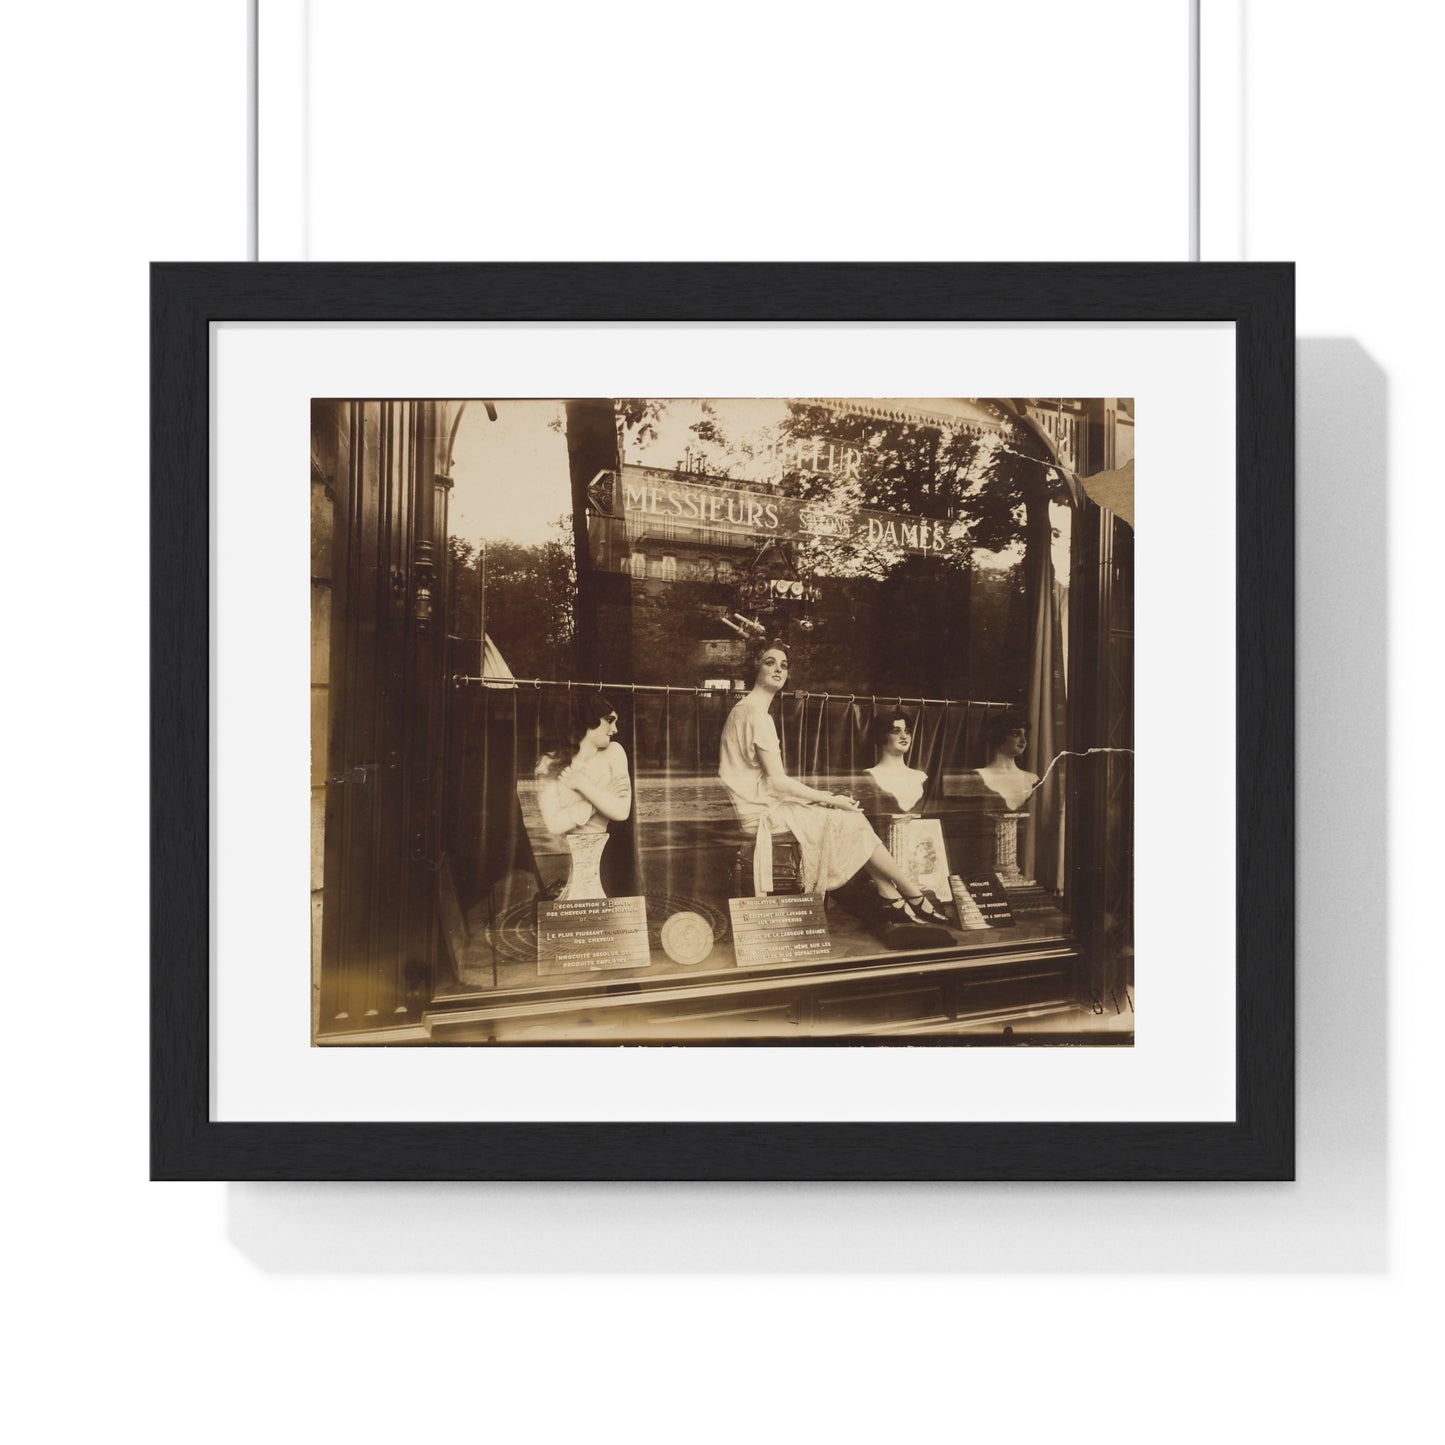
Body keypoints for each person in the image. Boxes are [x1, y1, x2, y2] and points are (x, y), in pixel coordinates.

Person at [717, 641, 953, 935]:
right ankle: (910, 894)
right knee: (851, 818)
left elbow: (771, 783)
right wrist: (831, 800)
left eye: (784, 665)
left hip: (761, 806)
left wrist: (827, 800)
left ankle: (892, 894)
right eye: (770, 662)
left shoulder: (748, 710)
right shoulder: (754, 713)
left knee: (848, 817)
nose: (778, 669)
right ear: (756, 669)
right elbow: (776, 782)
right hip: (760, 814)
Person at [535, 693, 632, 899]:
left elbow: (622, 810)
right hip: (570, 854)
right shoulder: (549, 763)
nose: (615, 729)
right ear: (589, 721)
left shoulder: (614, 752)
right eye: (610, 721)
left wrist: (583, 785)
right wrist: (597, 801)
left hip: (600, 858)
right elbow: (554, 824)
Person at [862, 709, 929, 814]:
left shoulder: (921, 777)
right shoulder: (870, 776)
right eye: (896, 731)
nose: (904, 736)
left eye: (907, 731)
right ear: (882, 736)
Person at [976, 712, 1039, 810]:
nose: (1023, 740)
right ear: (998, 737)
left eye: (1024, 734)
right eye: (1016, 734)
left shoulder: (1032, 779)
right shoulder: (980, 775)